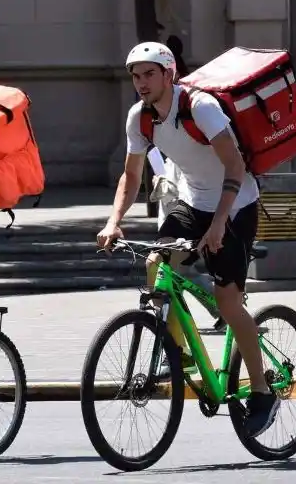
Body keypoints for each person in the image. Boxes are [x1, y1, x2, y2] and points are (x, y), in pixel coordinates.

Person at [97, 41, 279, 438]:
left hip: (236, 205)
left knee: (228, 302)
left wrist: (219, 224)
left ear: (169, 74)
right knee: (157, 263)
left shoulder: (200, 108)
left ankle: (262, 391)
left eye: (149, 74)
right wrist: (113, 221)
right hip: (193, 202)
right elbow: (132, 175)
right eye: (136, 76)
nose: (141, 83)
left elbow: (235, 165)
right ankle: (174, 349)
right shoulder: (140, 118)